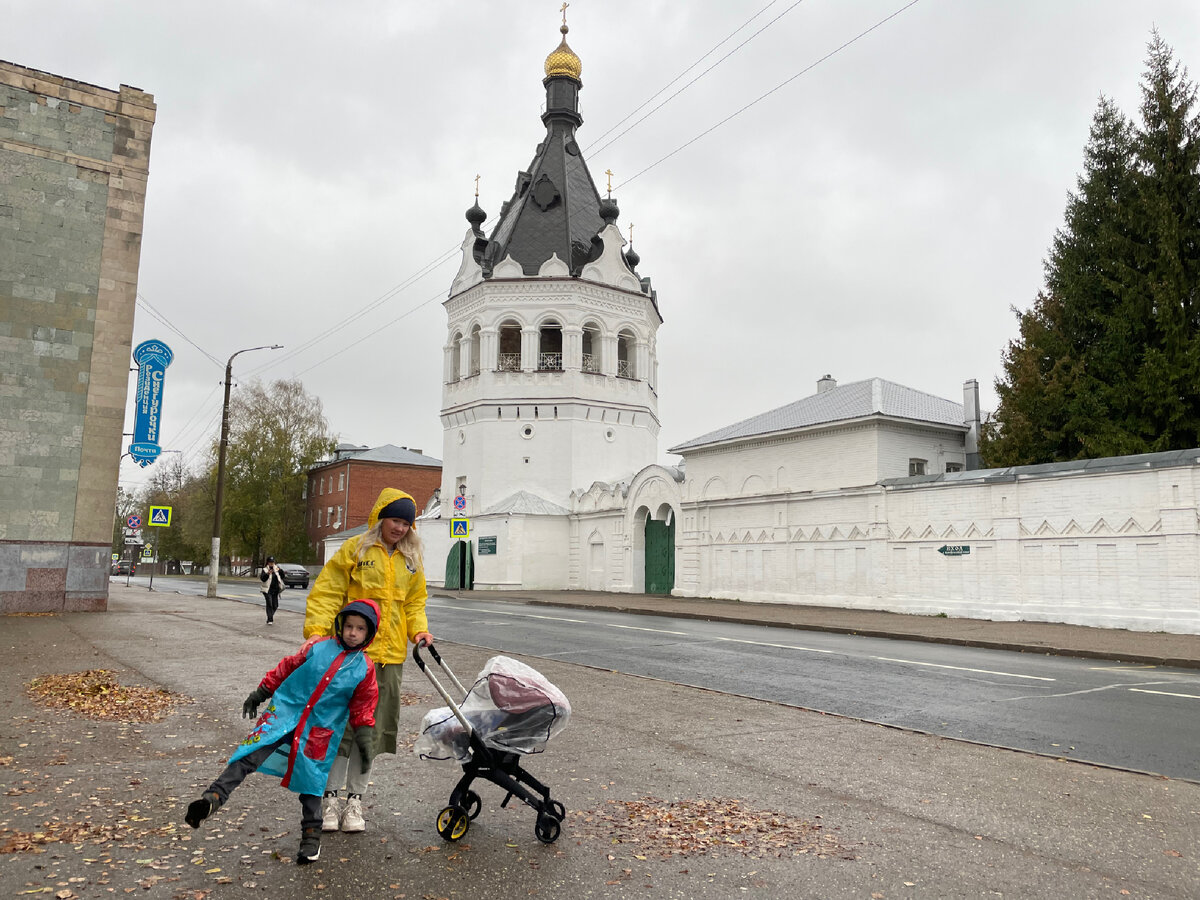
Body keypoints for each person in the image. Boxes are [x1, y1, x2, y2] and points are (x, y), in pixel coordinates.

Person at [184, 599, 381, 864]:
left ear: (369, 634)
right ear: (340, 625)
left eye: (359, 629)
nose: (352, 633)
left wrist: (365, 737)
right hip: (286, 714)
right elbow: (287, 667)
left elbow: (364, 705)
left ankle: (311, 837)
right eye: (348, 626)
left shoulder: (364, 668)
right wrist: (261, 692)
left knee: (311, 783)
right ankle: (212, 798)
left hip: (318, 730)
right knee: (250, 754)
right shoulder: (318, 647)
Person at [303, 488, 433, 834]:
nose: (400, 528)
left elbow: (414, 602)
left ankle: (355, 802)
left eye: (406, 523)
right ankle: (329, 800)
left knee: (370, 733)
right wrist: (317, 631)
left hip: (390, 660)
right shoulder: (356, 549)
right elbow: (328, 590)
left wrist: (419, 631)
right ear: (381, 518)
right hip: (351, 657)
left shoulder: (410, 559)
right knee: (341, 729)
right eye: (395, 520)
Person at [259, 556, 285, 625]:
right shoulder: (265, 569)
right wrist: (268, 573)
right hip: (267, 590)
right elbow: (263, 579)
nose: (272, 563)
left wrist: (280, 570)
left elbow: (282, 576)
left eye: (273, 562)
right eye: (270, 562)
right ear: (268, 562)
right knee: (269, 604)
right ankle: (270, 619)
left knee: (275, 605)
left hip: (275, 590)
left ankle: (270, 616)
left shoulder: (276, 569)